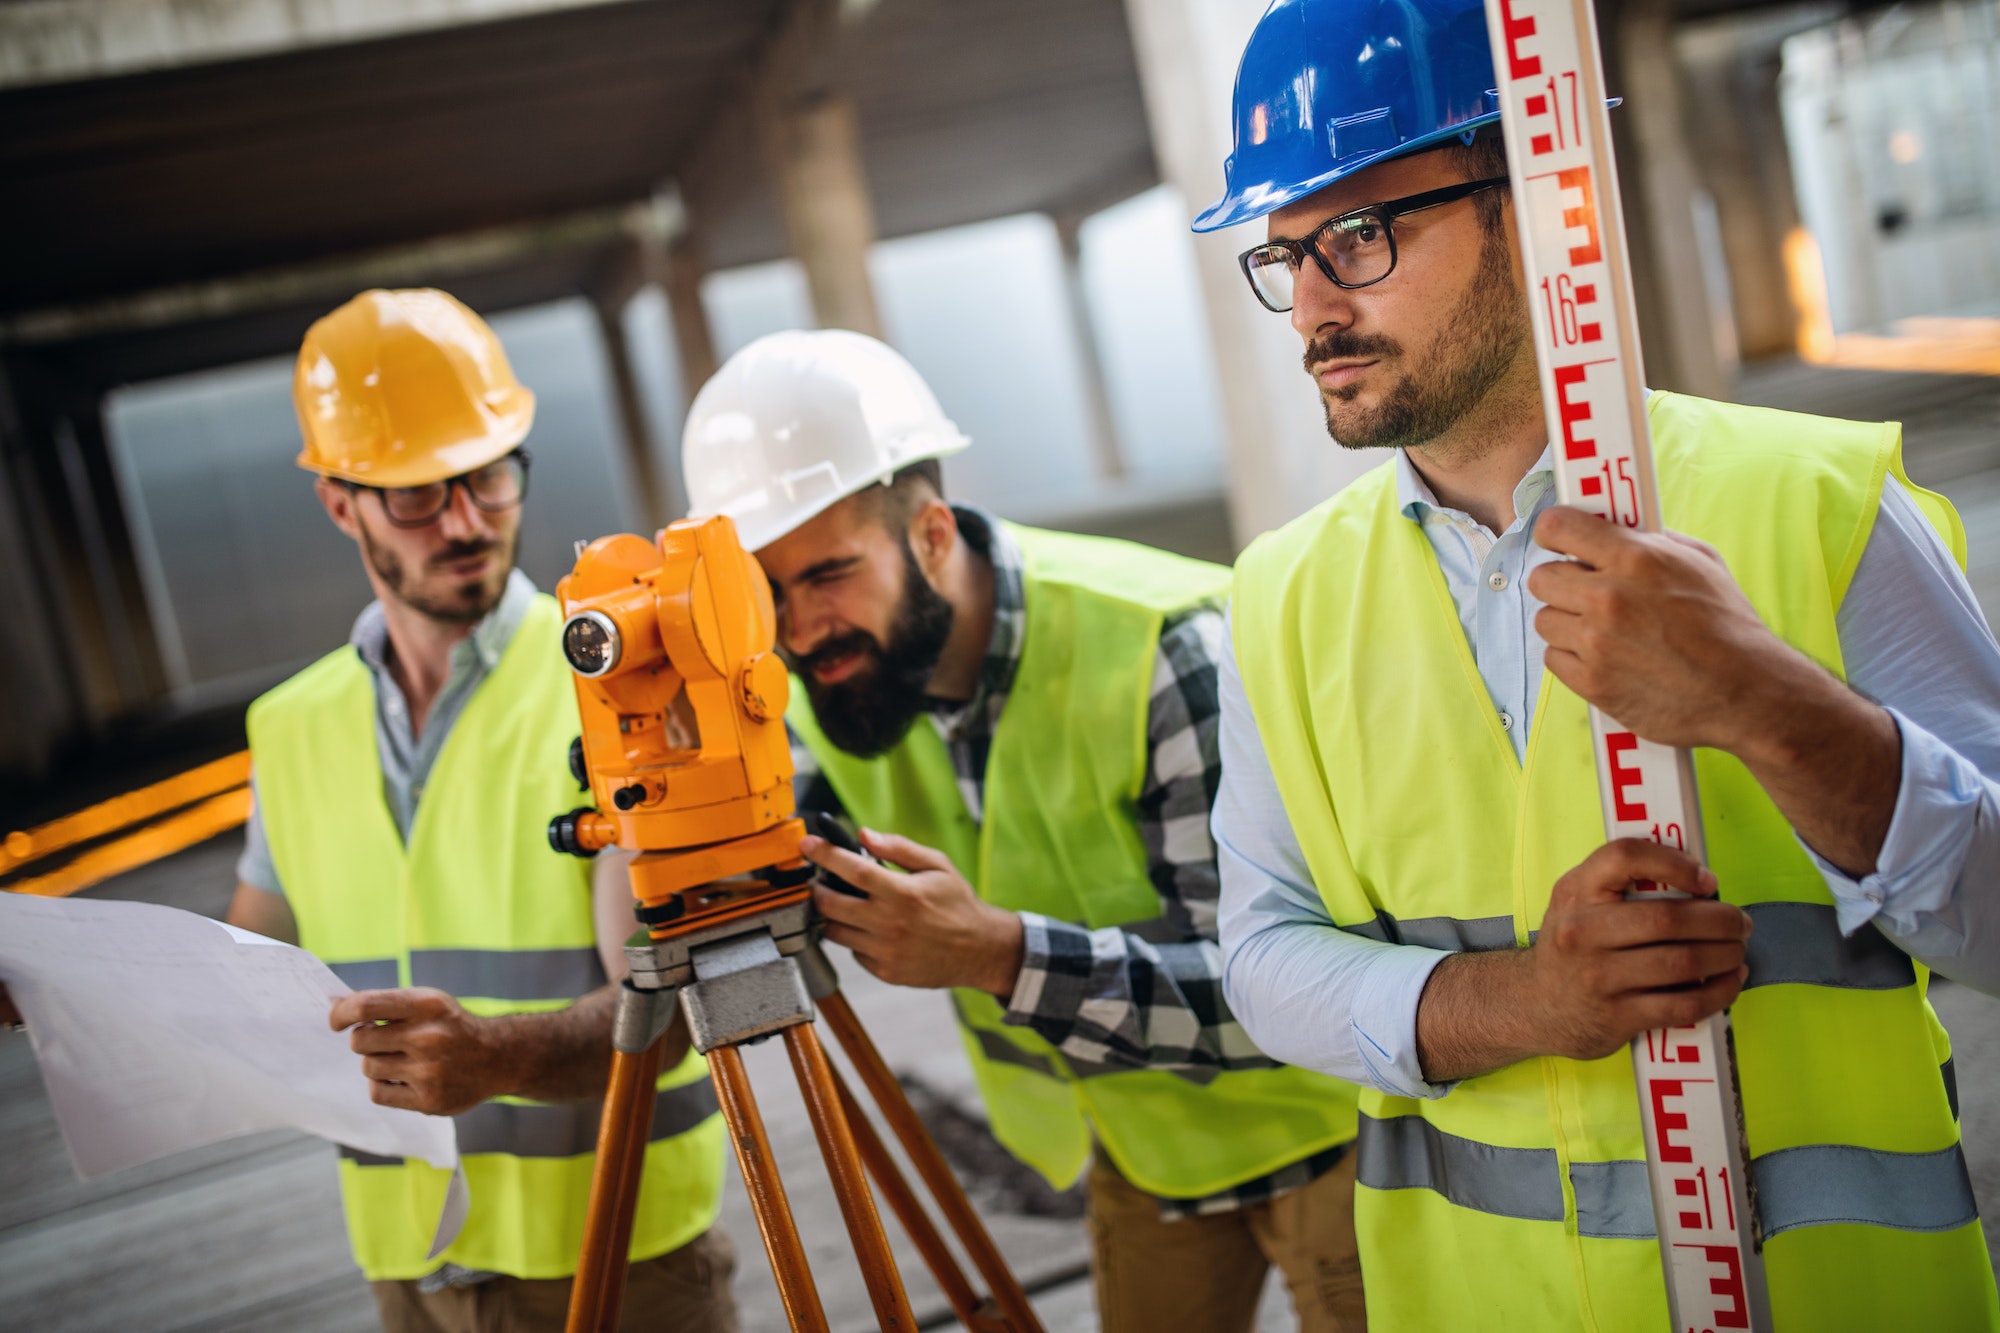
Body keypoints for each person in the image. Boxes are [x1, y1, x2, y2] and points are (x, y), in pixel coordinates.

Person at [1198, 0, 2000, 1328]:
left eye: (1359, 234)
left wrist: (1768, 704)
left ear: (1539, 201)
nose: (1315, 309)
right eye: (1285, 254)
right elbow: (1262, 957)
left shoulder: (1810, 499)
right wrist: (1525, 1001)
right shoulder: (1281, 594)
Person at [679, 329, 1366, 1333]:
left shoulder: (1165, 649)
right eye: (764, 594)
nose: (799, 626)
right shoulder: (840, 678)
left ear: (928, 535)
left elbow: (1280, 991)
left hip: (1326, 1139)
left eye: (827, 574)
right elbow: (778, 850)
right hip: (1131, 1148)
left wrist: (994, 952)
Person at [228, 288, 734, 1333]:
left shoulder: (616, 684)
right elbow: (238, 970)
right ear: (339, 501)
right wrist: (67, 986)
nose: (465, 521)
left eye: (488, 477)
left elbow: (668, 1003)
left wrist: (495, 1059)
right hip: (410, 1262)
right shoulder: (292, 725)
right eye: (418, 495)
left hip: (617, 1254)